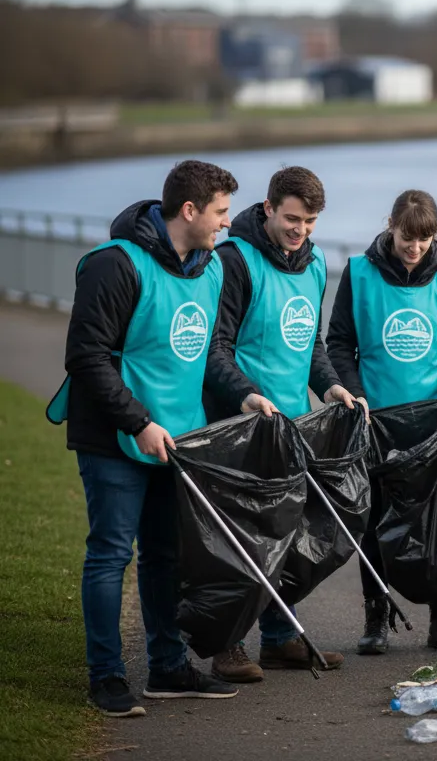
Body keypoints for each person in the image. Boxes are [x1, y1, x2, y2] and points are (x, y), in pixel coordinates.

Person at [47, 160, 242, 717]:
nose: (227, 223)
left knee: (166, 556)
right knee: (111, 554)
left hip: (177, 438)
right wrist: (138, 421)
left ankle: (168, 668)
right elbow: (84, 357)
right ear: (189, 210)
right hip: (113, 435)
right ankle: (106, 676)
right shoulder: (114, 265)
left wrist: (244, 393)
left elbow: (207, 354)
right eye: (221, 212)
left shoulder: (211, 269)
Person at [202, 166, 359, 682]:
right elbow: (216, 345)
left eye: (310, 222)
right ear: (268, 208)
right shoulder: (233, 260)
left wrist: (331, 385)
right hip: (239, 424)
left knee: (288, 536)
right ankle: (227, 646)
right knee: (241, 542)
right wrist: (246, 395)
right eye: (292, 219)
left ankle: (278, 638)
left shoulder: (314, 266)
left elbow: (308, 344)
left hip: (293, 425)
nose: (301, 231)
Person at [326, 189, 437, 653]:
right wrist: (356, 394)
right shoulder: (359, 272)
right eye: (407, 238)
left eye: (425, 240)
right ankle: (377, 615)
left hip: (435, 417)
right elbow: (338, 344)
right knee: (373, 520)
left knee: (436, 520)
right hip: (376, 419)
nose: (415, 248)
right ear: (389, 224)